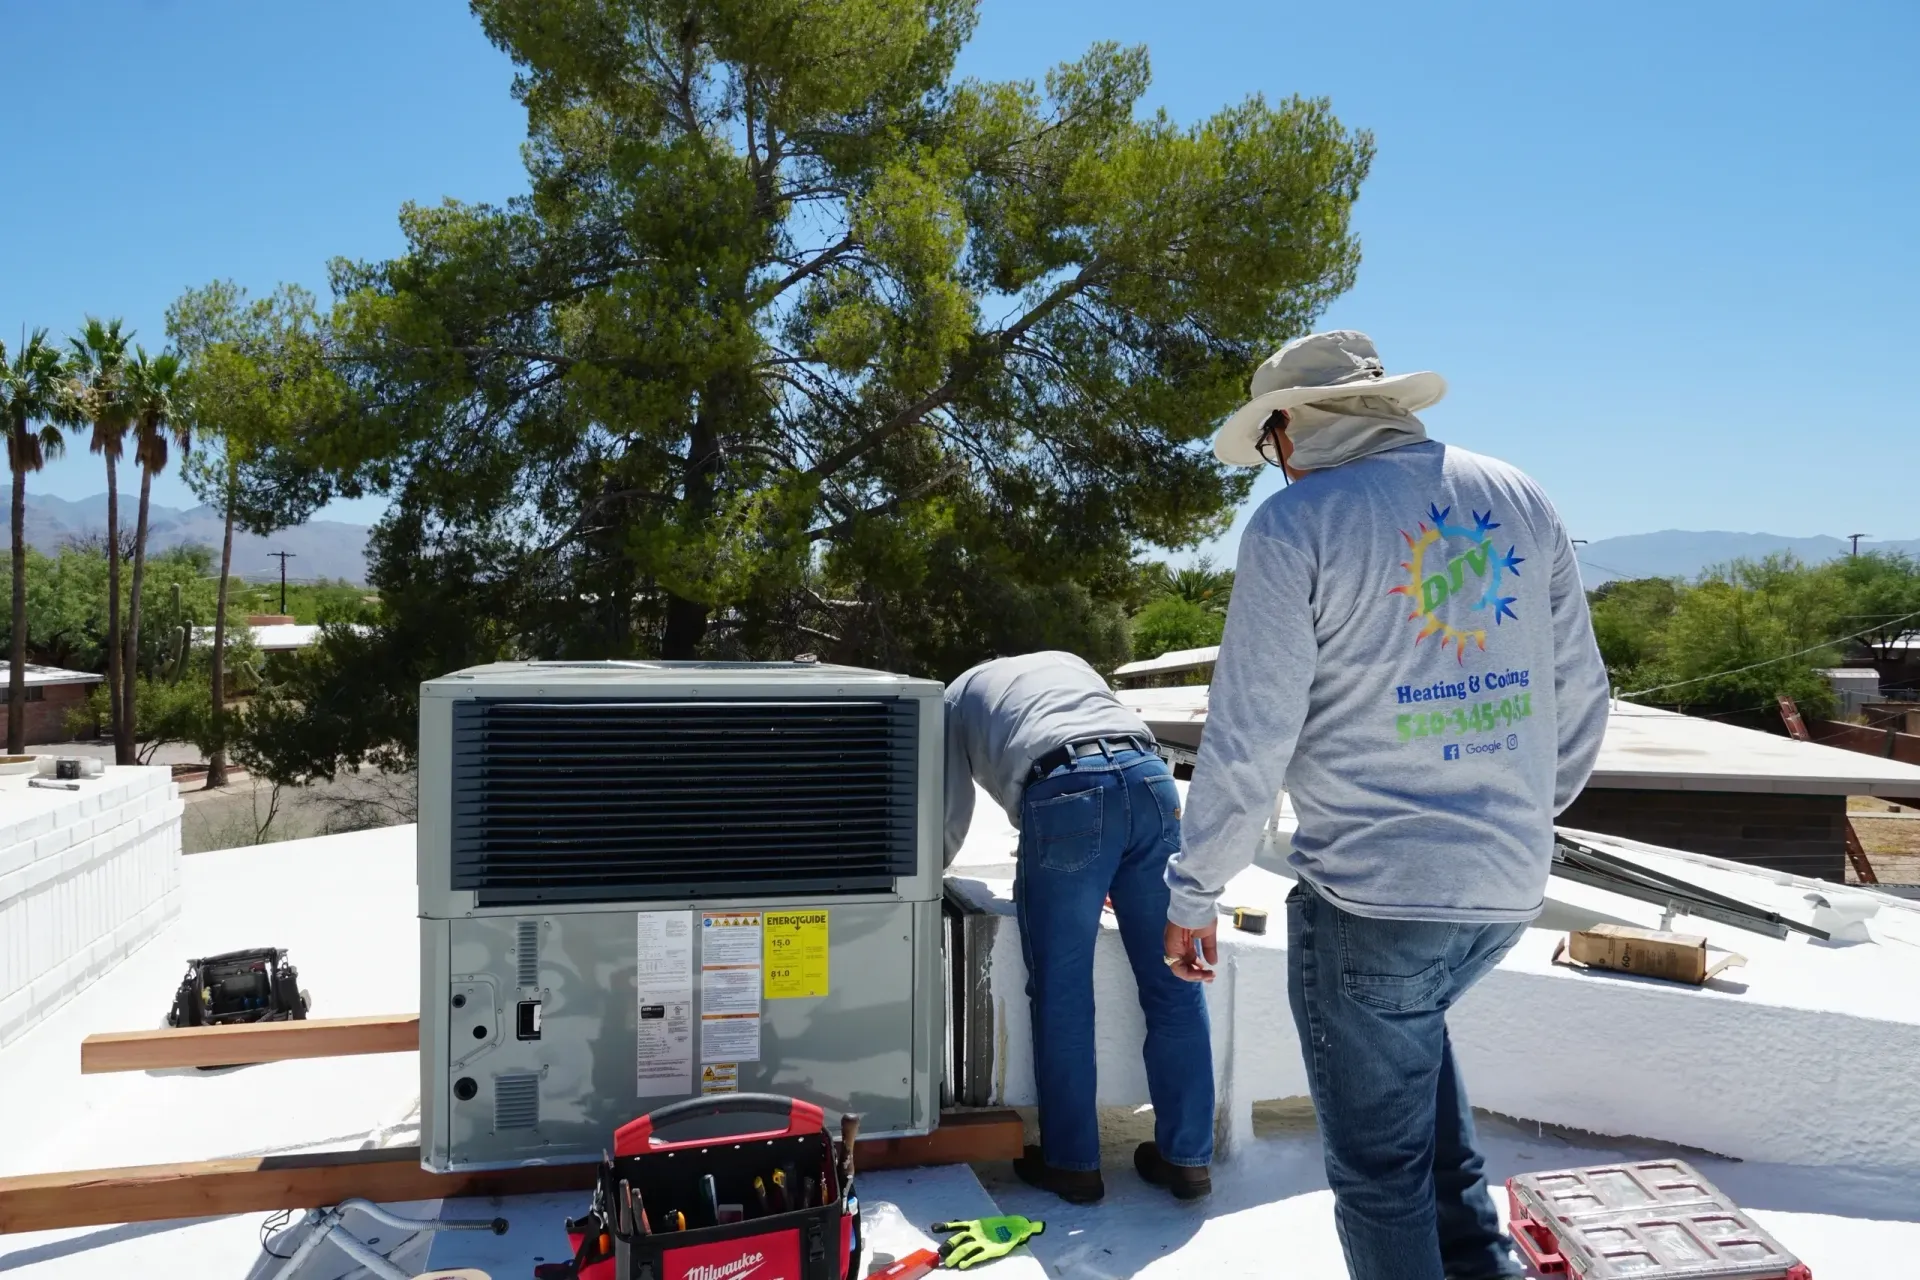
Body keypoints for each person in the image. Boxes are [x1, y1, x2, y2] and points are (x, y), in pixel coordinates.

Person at [1162, 331, 1610, 1279]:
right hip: (1504, 896)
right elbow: (1582, 694)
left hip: (1372, 905)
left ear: (1292, 425)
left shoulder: (1298, 526)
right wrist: (1525, 813)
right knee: (1441, 1151)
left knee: (1379, 1178)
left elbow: (1251, 740)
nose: (1273, 463)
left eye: (1270, 441)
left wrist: (1194, 894)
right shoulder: (1518, 494)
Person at [945, 651, 1215, 1203]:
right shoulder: (1070, 662)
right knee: (1174, 978)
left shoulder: (956, 695)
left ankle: (1073, 1165)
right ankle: (1187, 1159)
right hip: (1152, 780)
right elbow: (1112, 770)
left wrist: (932, 873)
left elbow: (951, 811)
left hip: (1064, 789)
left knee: (1062, 991)